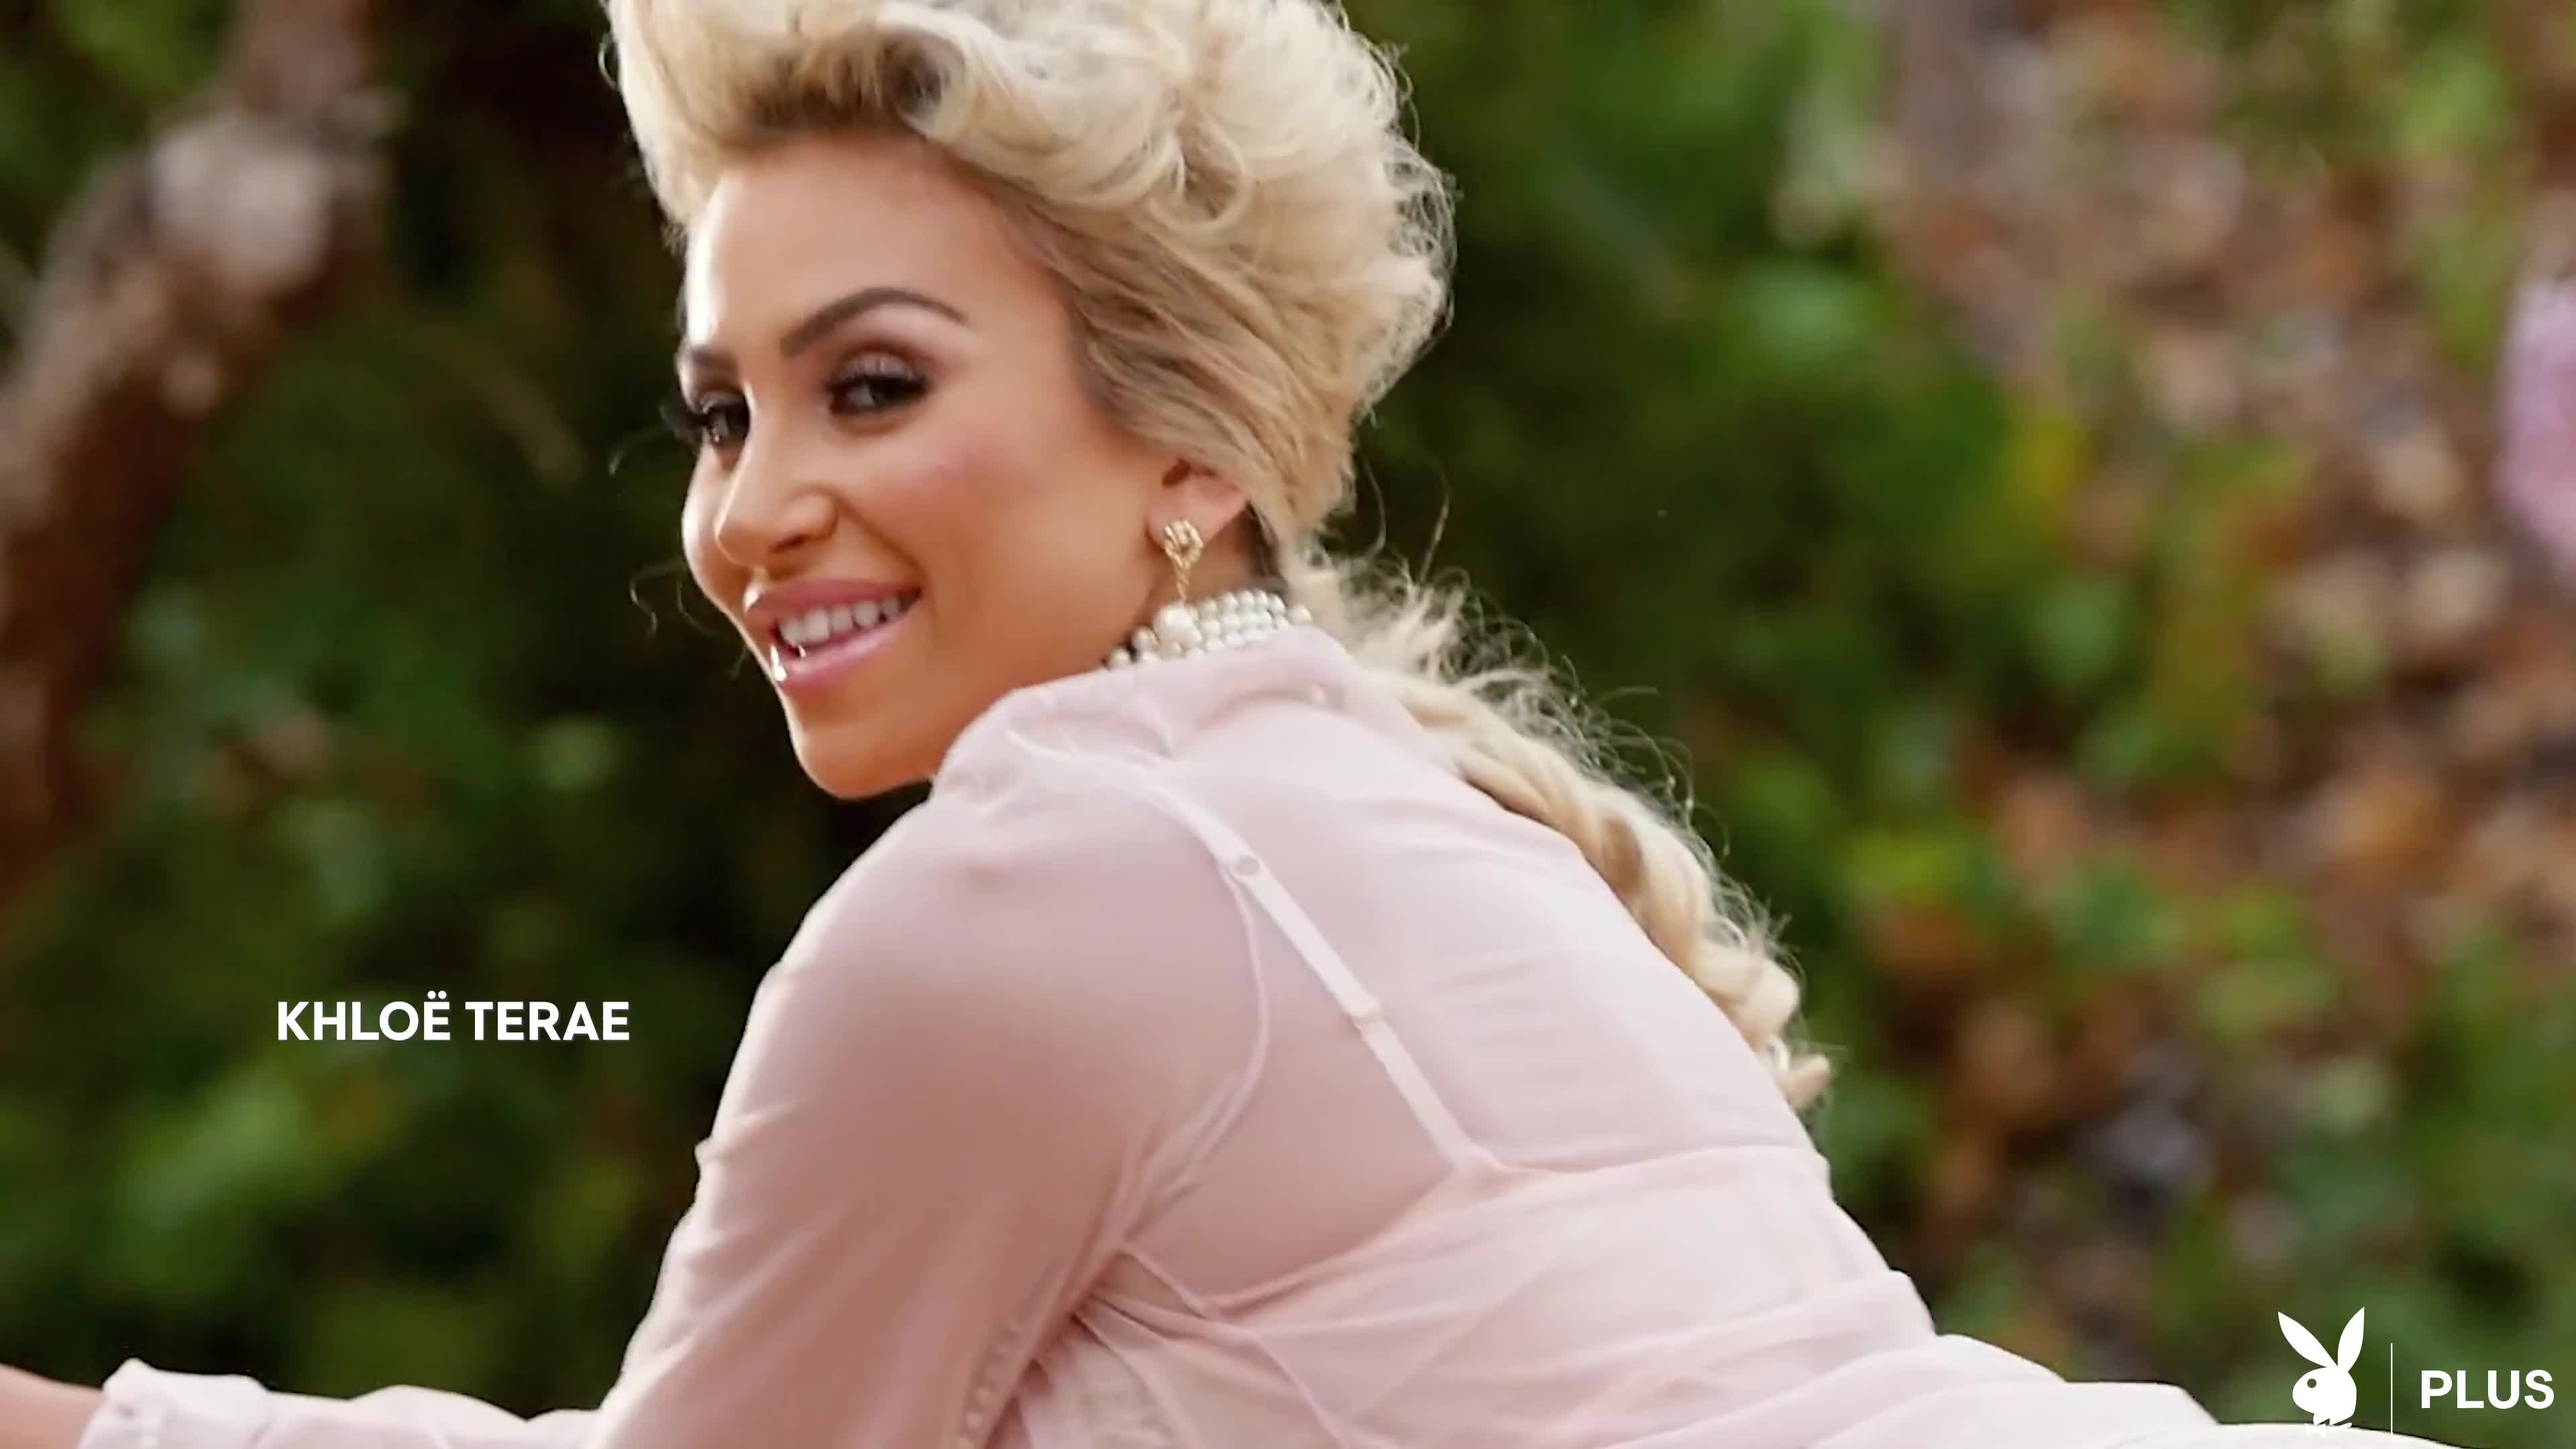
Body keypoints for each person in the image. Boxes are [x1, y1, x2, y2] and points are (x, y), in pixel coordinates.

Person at [0, 1, 2467, 1445]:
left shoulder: (1026, 905)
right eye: (724, 412)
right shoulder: (1427, 819)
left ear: (1191, 451)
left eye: (874, 384)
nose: (754, 508)